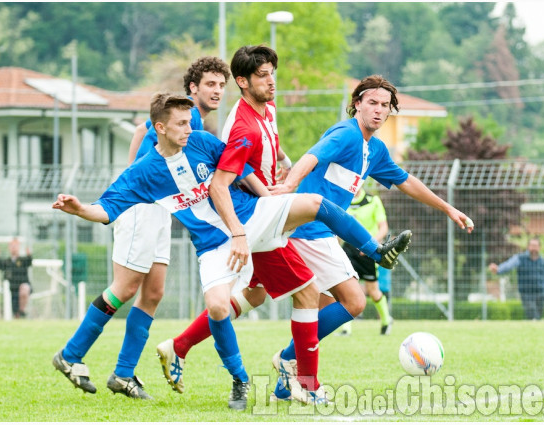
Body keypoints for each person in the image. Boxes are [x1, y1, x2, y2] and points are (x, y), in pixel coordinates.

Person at [52, 92, 397, 410]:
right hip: (214, 245)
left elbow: (241, 171)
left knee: (315, 208)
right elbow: (106, 209)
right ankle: (240, 380)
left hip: (250, 219)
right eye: (182, 123)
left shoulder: (203, 142)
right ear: (159, 128)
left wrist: (273, 201)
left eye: (190, 121)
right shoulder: (143, 173)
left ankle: (376, 252)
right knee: (219, 306)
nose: (191, 128)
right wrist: (80, 208)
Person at [156, 48, 412, 405]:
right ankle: (301, 374)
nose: (271, 80)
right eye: (263, 75)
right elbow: (231, 173)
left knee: (260, 295)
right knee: (319, 230)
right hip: (249, 220)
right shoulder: (241, 126)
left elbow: (267, 154)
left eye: (272, 72)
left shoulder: (267, 109)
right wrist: (275, 194)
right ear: (243, 83)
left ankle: (183, 347)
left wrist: (282, 168)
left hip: (261, 217)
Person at [267, 74, 475, 401]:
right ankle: (293, 366)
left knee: (324, 307)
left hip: (321, 233)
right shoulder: (346, 133)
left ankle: (292, 373)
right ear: (357, 104)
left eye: (385, 106)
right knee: (353, 301)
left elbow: (406, 181)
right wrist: (290, 185)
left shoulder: (374, 149)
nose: (379, 110)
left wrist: (448, 208)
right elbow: (312, 156)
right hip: (307, 230)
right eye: (372, 103)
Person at [52, 57, 231, 400]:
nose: (217, 91)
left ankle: (122, 374)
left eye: (221, 85)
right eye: (210, 84)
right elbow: (147, 148)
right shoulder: (185, 116)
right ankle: (71, 355)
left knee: (153, 293)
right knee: (125, 288)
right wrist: (133, 182)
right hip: (143, 208)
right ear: (193, 88)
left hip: (161, 209)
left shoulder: (188, 122)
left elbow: (139, 131)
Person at [339, 188, 393, 336]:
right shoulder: (344, 201)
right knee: (347, 289)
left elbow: (383, 227)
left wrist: (371, 244)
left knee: (373, 291)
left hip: (368, 251)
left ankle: (386, 321)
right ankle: (346, 328)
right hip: (349, 250)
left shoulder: (373, 200)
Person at [489, 237, 544, 320]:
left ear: (539, 247)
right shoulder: (520, 258)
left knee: (538, 314)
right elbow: (508, 265)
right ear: (528, 247)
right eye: (532, 245)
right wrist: (498, 269)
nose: (534, 248)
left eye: (535, 246)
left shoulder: (543, 261)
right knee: (531, 312)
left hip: (540, 292)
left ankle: (535, 327)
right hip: (526, 292)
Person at [0, 237, 32, 319]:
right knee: (11, 311)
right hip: (11, 289)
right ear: (9, 247)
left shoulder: (23, 260)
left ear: (19, 247)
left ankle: (21, 311)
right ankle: (16, 315)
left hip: (21, 287)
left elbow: (29, 262)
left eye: (15, 245)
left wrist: (29, 255)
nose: (13, 247)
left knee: (25, 288)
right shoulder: (7, 262)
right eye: (12, 246)